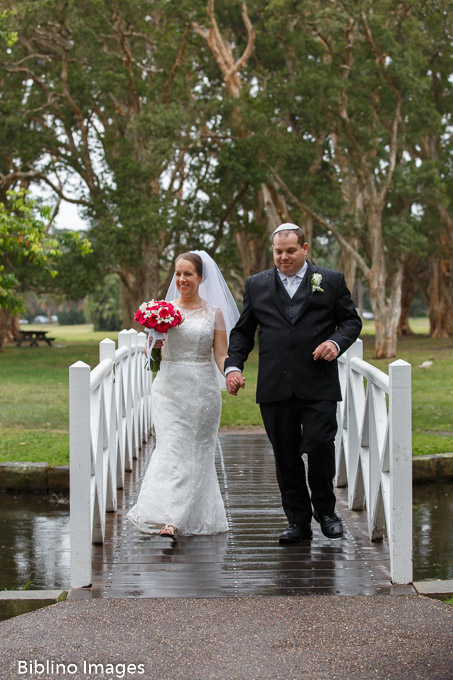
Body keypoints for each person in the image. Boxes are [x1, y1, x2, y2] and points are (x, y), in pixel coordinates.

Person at [224, 223, 362, 543]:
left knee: (319, 445)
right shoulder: (256, 284)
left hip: (318, 382)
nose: (284, 257)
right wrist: (233, 367)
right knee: (285, 455)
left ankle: (326, 512)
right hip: (275, 385)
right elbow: (244, 332)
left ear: (304, 248)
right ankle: (298, 521)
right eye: (278, 251)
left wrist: (336, 343)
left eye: (290, 251)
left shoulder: (330, 280)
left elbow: (351, 321)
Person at [127, 251, 239, 539]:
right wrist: (154, 340)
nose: (181, 279)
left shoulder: (213, 313)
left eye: (188, 273)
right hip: (168, 390)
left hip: (202, 392)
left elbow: (222, 353)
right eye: (178, 273)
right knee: (172, 448)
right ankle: (170, 516)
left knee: (197, 454)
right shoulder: (161, 310)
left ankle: (176, 519)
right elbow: (149, 352)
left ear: (201, 278)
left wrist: (230, 374)